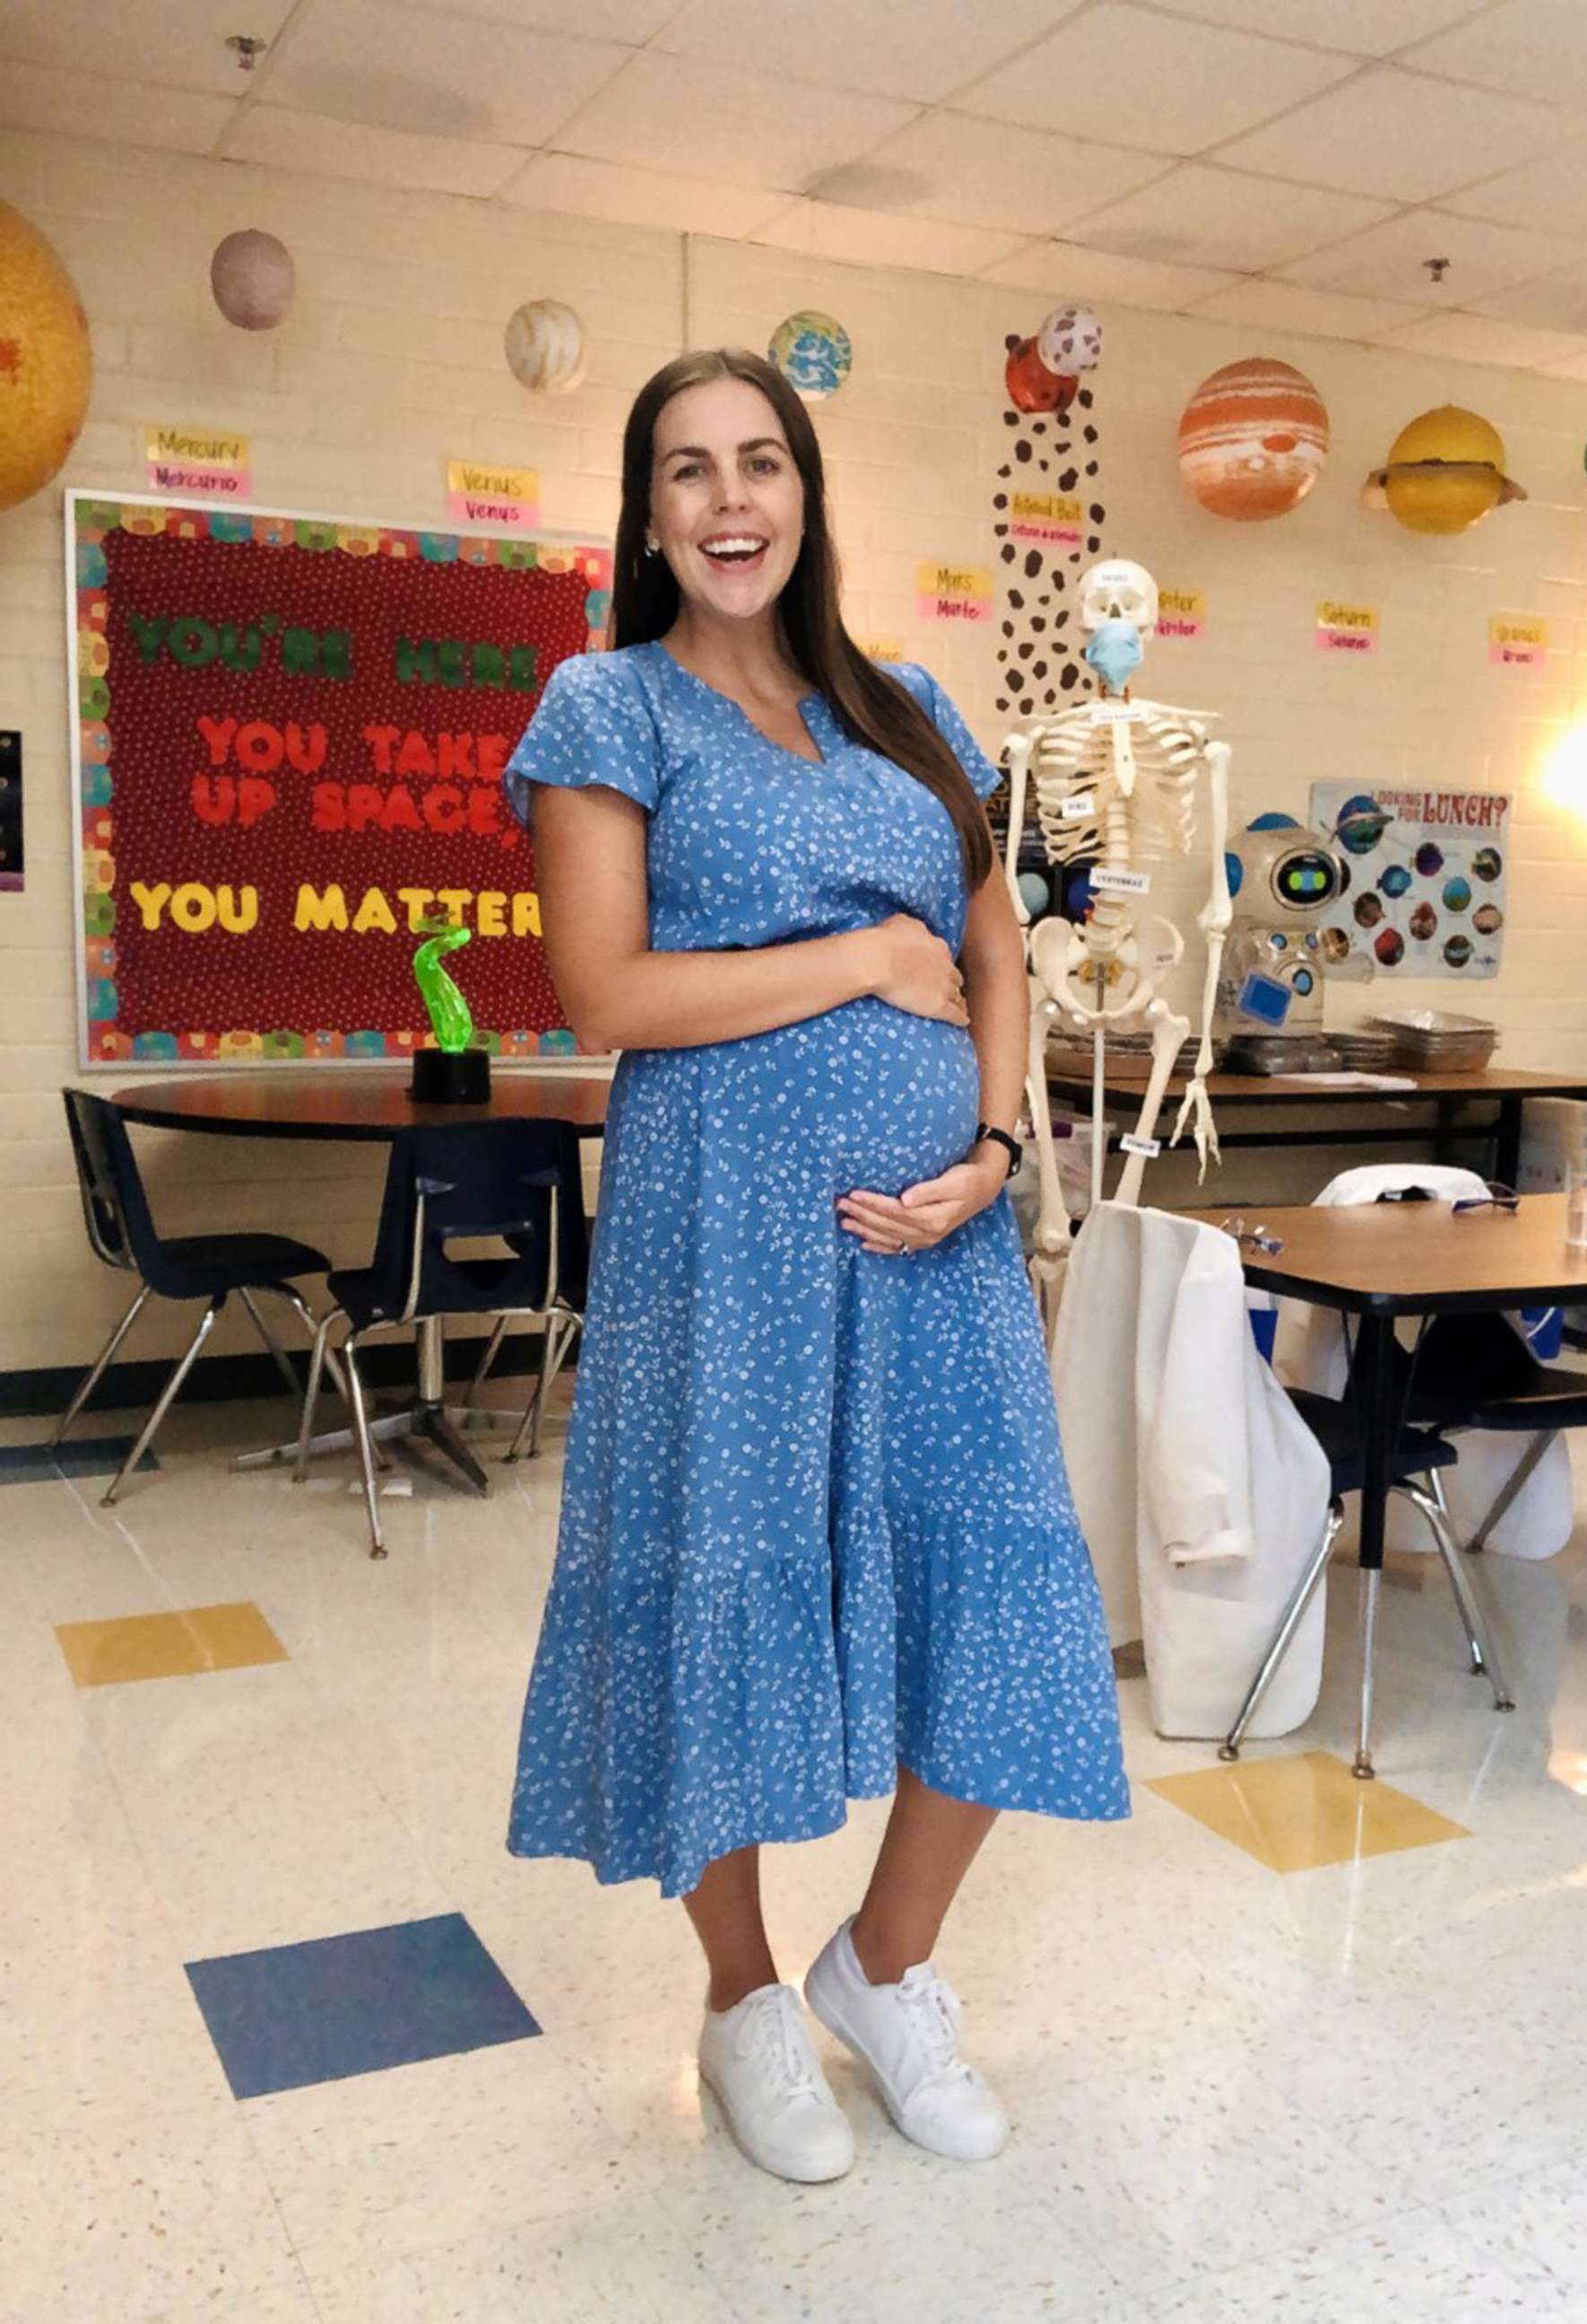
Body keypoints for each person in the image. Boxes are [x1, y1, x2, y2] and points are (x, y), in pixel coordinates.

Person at [505, 347, 1129, 2185]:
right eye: (686, 472)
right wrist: (860, 958)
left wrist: (997, 1152)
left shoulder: (912, 705)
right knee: (725, 1586)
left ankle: (887, 1966)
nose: (726, 504)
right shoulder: (607, 702)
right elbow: (605, 991)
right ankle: (742, 1999)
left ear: (806, 493)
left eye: (758, 464)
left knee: (1002, 1590)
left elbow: (999, 950)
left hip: (940, 1244)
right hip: (724, 1250)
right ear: (646, 514)